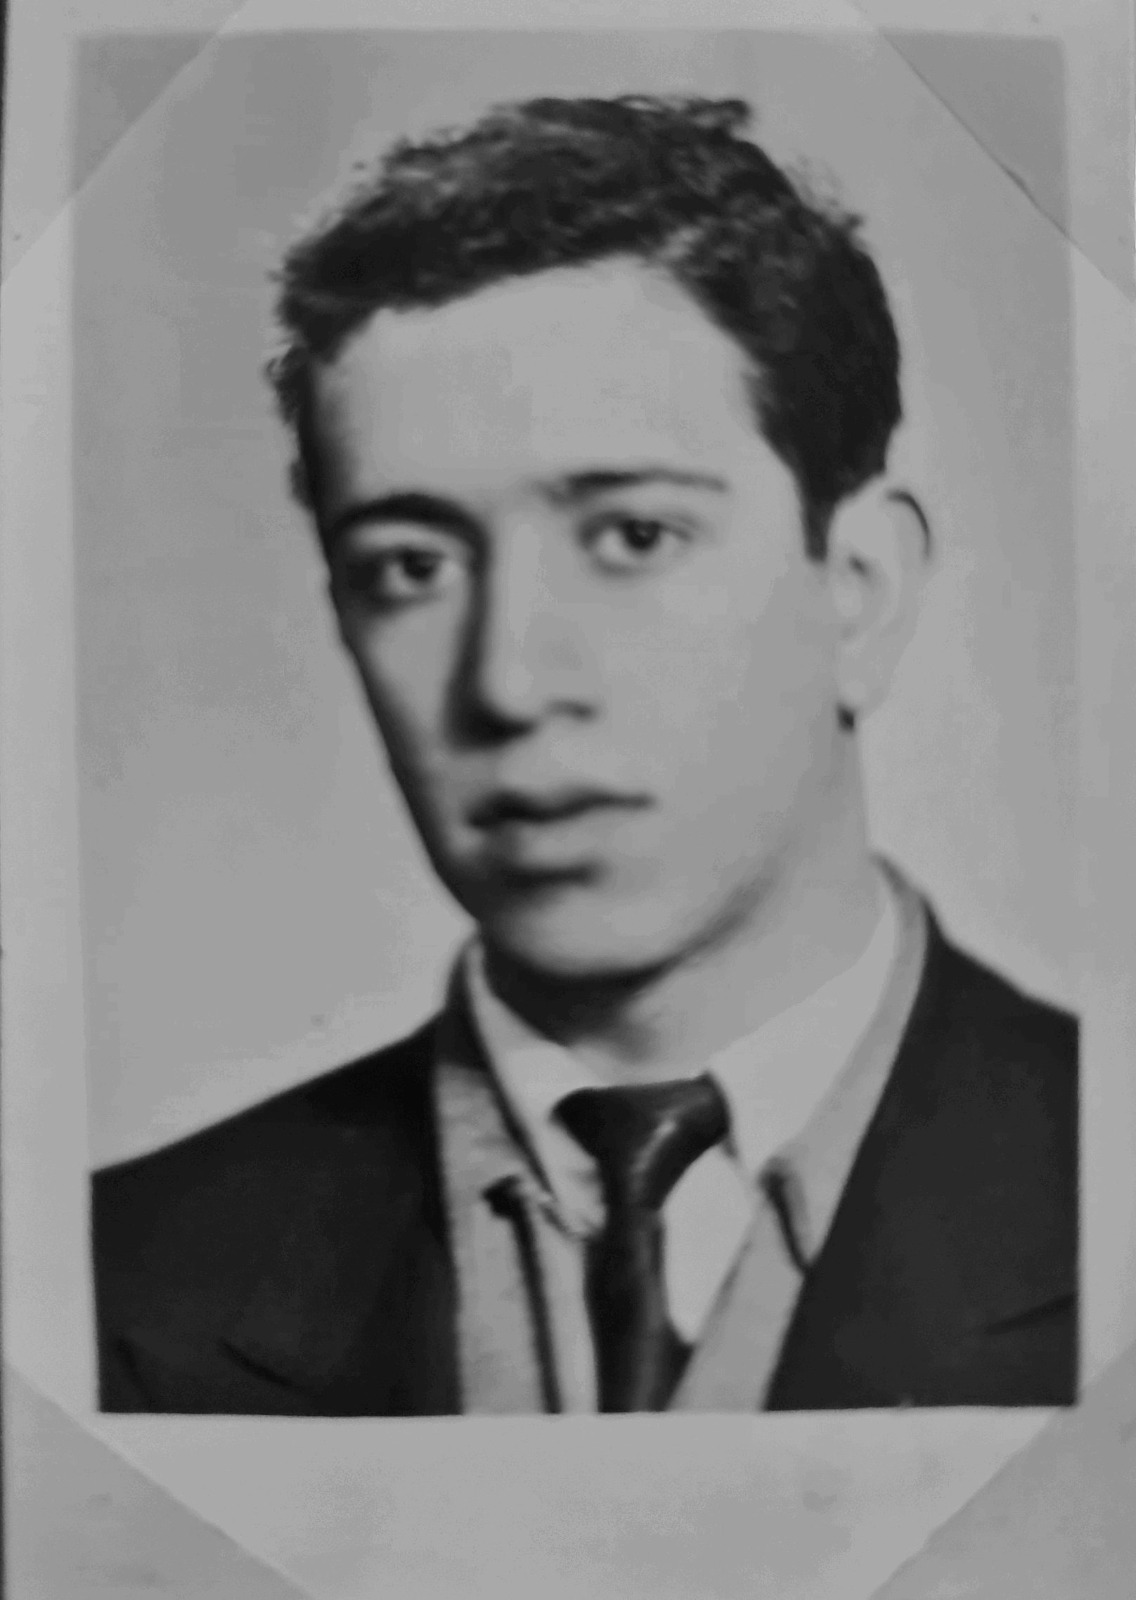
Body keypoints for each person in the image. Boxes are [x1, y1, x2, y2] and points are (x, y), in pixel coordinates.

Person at [92, 95, 1077, 1415]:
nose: (508, 682)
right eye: (411, 566)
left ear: (860, 590)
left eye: (633, 537)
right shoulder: (105, 1285)